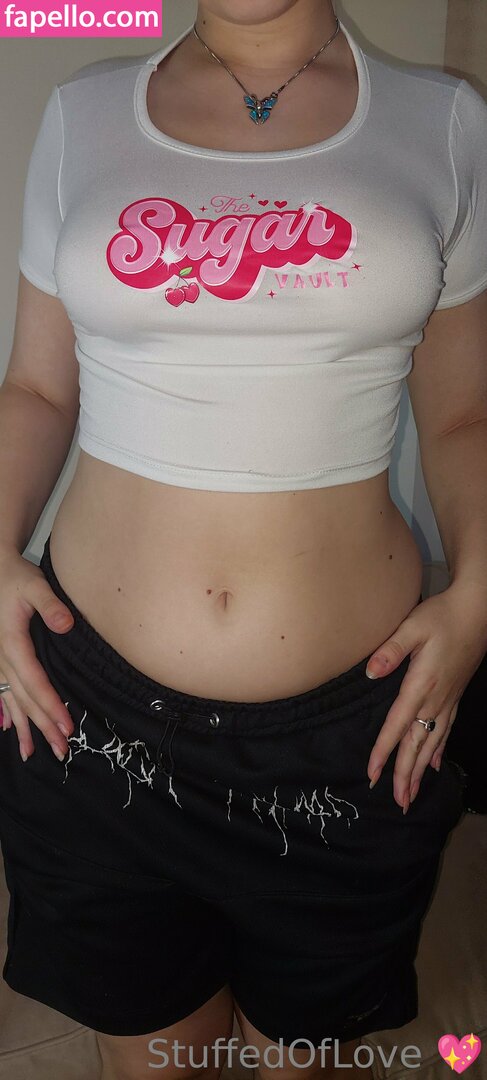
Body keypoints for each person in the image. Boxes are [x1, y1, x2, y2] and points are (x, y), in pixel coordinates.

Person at [0, 0, 486, 1077]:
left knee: (297, 1061)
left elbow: (461, 416)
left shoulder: (445, 121)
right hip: (91, 718)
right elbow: (36, 388)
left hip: (354, 729)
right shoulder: (84, 114)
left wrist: (479, 596)